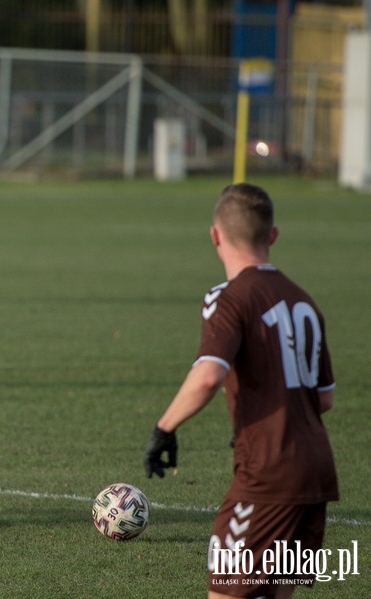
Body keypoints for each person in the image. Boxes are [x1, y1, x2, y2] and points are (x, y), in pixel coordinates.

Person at [143, 183, 338, 599]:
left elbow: (208, 375)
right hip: (317, 472)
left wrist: (164, 428)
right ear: (273, 235)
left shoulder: (228, 298)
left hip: (266, 475)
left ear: (215, 235)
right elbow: (324, 398)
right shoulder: (303, 301)